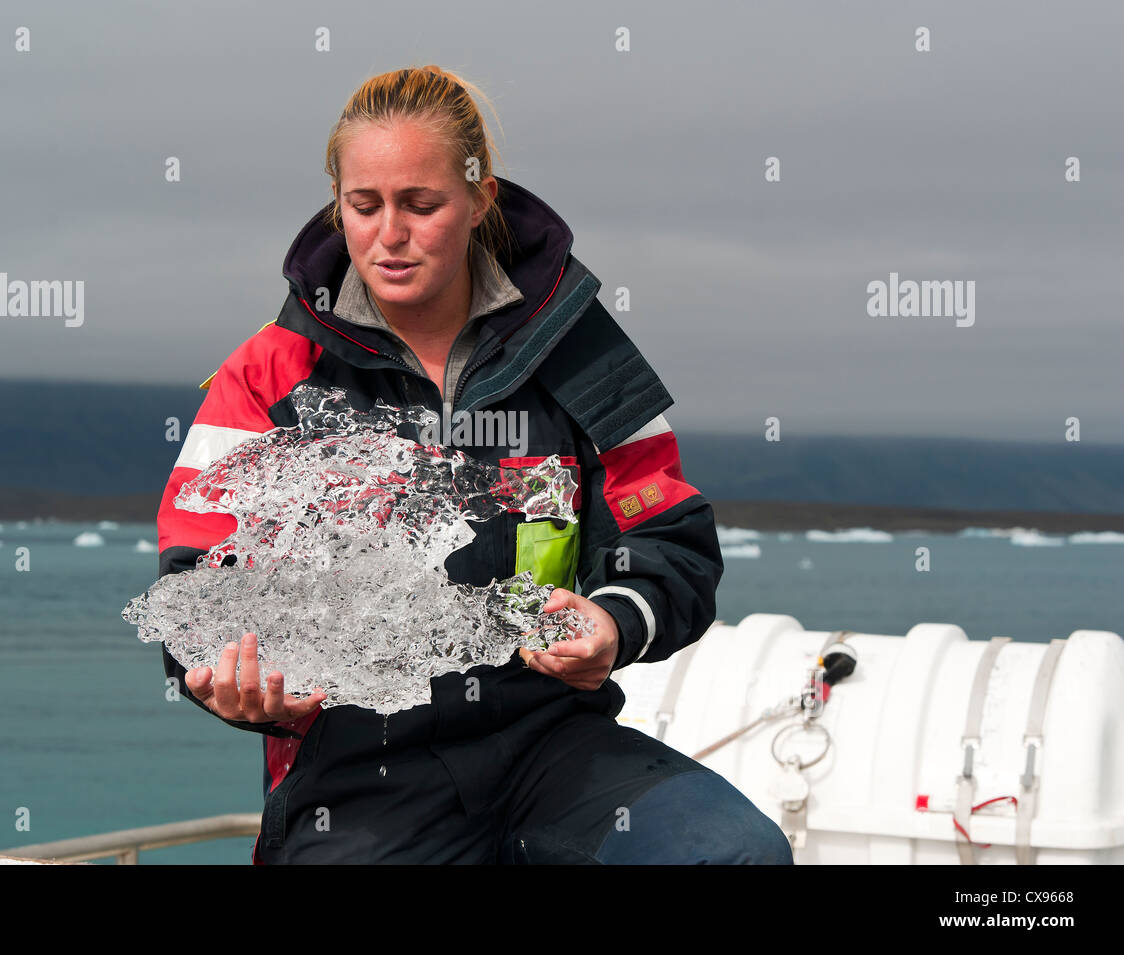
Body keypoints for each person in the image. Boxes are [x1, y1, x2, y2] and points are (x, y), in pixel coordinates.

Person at [154, 65, 793, 864]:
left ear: (480, 198)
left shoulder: (580, 350)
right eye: (364, 205)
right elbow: (194, 582)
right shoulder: (269, 372)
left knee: (731, 852)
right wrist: (236, 688)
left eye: (422, 205)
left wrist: (616, 620)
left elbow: (669, 538)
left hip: (552, 743)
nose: (391, 233)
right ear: (337, 205)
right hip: (357, 771)